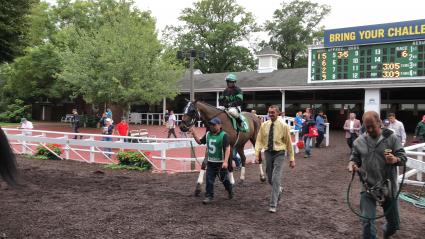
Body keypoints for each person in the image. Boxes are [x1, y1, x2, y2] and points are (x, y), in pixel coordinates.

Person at [348, 111, 407, 239]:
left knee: (394, 225)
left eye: (372, 126)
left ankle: (387, 231)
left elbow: (403, 158)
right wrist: (352, 165)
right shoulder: (359, 142)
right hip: (368, 186)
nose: (369, 129)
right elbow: (354, 159)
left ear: (379, 123)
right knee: (367, 222)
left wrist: (395, 159)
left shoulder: (392, 138)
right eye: (366, 126)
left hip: (389, 187)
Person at [254, 105, 295, 213]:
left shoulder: (284, 126)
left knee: (276, 178)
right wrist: (256, 153)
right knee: (270, 178)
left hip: (280, 153)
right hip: (268, 152)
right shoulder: (264, 125)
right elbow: (259, 140)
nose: (270, 114)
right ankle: (279, 189)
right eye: (269, 112)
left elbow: (289, 143)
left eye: (273, 112)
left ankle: (273, 204)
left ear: (278, 113)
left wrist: (291, 158)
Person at [189, 117, 233, 204]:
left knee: (225, 180)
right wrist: (194, 134)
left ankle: (230, 190)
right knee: (209, 180)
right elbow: (200, 142)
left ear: (220, 125)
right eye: (211, 124)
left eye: (214, 125)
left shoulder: (224, 135)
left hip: (220, 164)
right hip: (211, 162)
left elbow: (227, 149)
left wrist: (225, 161)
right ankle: (209, 196)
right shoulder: (208, 134)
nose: (212, 126)